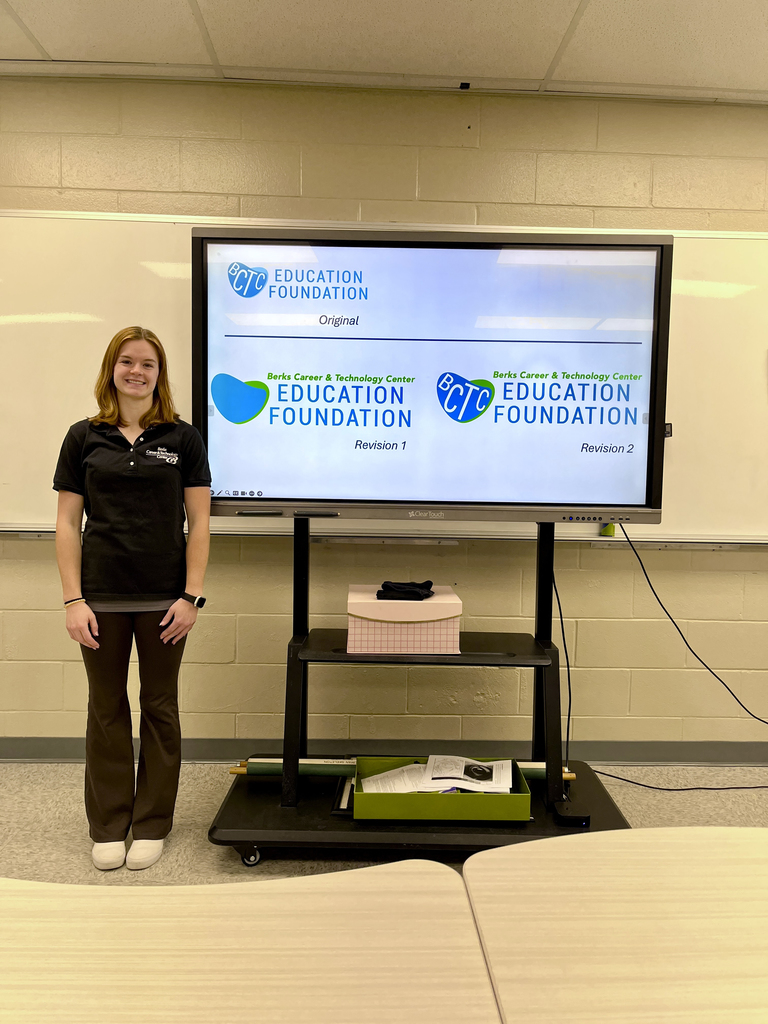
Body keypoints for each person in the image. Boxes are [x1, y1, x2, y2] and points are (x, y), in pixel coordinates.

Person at [53, 326, 211, 871]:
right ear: (111, 369)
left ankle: (151, 823)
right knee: (106, 708)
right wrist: (73, 600)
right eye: (127, 362)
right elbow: (67, 524)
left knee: (160, 708)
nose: (137, 371)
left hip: (166, 598)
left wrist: (191, 596)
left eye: (148, 363)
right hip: (98, 598)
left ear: (159, 374)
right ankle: (109, 825)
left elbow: (200, 525)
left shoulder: (183, 439)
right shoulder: (83, 437)